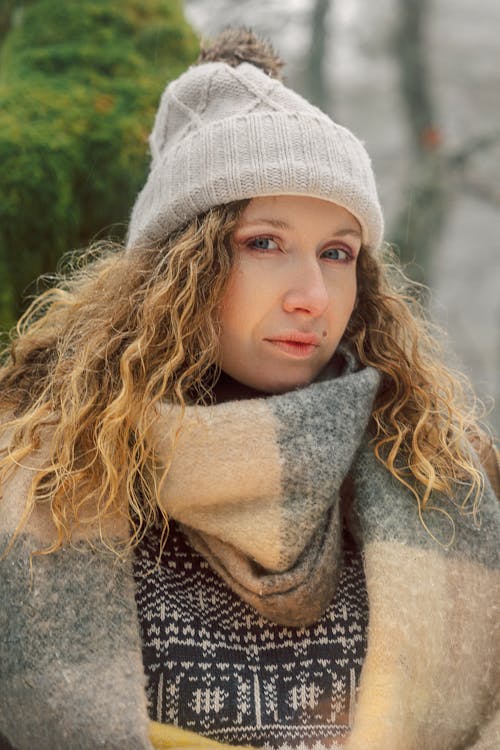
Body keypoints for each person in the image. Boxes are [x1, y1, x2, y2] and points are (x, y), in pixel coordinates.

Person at [0, 28, 498, 750]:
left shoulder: (444, 479)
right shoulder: (31, 482)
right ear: (179, 269)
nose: (311, 295)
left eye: (337, 253)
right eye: (264, 243)